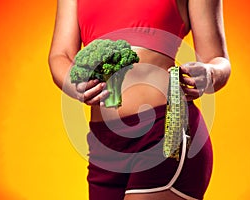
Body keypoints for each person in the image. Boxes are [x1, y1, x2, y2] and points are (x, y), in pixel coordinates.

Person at [48, 0, 231, 199]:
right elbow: (61, 54)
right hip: (105, 144)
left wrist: (210, 73)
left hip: (165, 129)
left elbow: (218, 59)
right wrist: (74, 82)